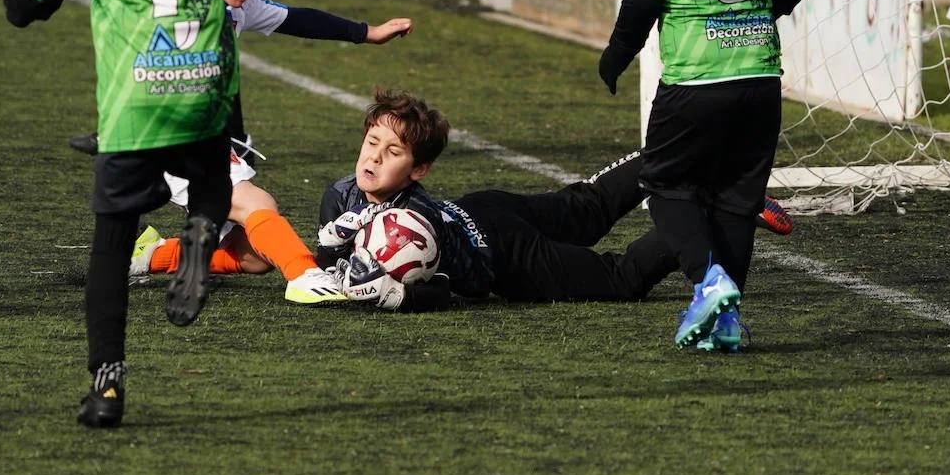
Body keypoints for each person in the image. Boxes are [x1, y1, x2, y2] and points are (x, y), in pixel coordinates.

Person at [0, 0, 245, 428]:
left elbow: (30, 5)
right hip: (204, 79)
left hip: (134, 100)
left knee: (111, 242)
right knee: (213, 173)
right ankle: (203, 229)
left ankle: (106, 385)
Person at [597, 0, 819, 351]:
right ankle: (725, 323)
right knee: (738, 201)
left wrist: (616, 56)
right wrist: (763, 10)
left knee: (666, 184)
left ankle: (708, 282)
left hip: (696, 80)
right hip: (760, 80)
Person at [314, 90, 793, 343]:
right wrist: (333, 244)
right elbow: (325, 267)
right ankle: (699, 162)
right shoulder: (339, 197)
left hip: (508, 256)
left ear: (419, 170)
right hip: (485, 206)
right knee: (586, 207)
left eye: (392, 151)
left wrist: (400, 298)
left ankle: (716, 200)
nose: (373, 158)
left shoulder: (415, 216)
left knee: (620, 276)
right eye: (372, 143)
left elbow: (447, 290)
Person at [121, 0, 414, 302]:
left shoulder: (241, 7)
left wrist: (368, 31)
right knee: (255, 201)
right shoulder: (173, 2)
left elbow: (300, 19)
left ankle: (149, 257)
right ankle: (304, 275)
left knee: (253, 255)